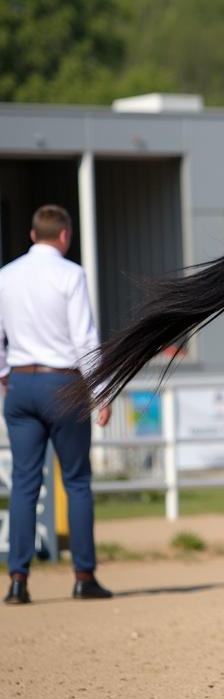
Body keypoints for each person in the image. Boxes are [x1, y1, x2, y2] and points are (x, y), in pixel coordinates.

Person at [0, 205, 113, 604]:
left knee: (24, 486)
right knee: (77, 481)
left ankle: (17, 580)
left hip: (20, 384)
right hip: (62, 384)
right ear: (64, 236)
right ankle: (83, 576)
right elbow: (84, 338)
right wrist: (101, 392)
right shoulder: (71, 274)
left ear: (32, 235)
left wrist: (4, 377)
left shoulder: (6, 275)